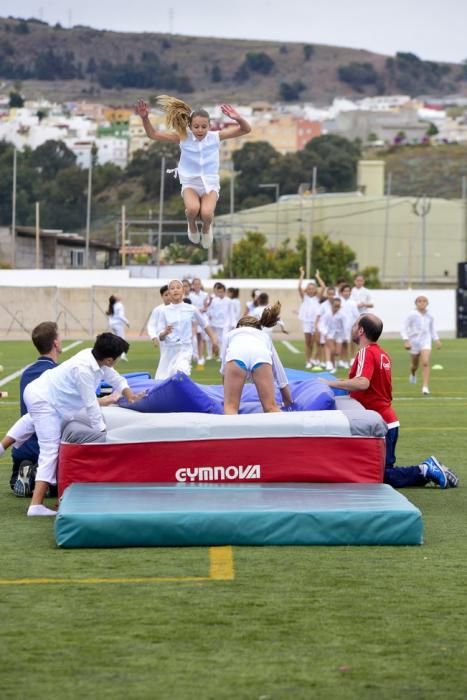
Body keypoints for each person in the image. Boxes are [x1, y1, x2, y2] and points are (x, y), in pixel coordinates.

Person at [0, 333, 145, 516]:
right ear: (109, 359)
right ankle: (36, 505)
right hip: (44, 400)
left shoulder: (92, 356)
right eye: (117, 358)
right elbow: (91, 404)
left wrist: (129, 393)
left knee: (30, 420)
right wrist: (103, 432)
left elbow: (113, 376)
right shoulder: (83, 370)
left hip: (41, 394)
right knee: (50, 449)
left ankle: (1, 447)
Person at [323, 314, 459, 489]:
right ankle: (426, 470)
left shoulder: (366, 352)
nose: (352, 327)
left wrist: (329, 383)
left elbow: (362, 383)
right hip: (387, 422)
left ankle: (425, 470)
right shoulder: (382, 354)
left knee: (379, 476)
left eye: (355, 323)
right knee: (379, 472)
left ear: (361, 330)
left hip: (379, 425)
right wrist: (340, 385)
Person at [134, 95, 251, 249]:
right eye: (196, 126)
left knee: (207, 214)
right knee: (194, 209)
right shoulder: (183, 138)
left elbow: (245, 129)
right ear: (189, 125)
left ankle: (207, 229)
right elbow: (153, 135)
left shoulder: (215, 137)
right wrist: (145, 118)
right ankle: (192, 225)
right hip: (190, 183)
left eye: (204, 126)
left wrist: (238, 118)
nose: (200, 130)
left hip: (210, 183)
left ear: (209, 126)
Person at [10, 322, 62, 498]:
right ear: (55, 343)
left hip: (22, 447)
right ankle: (38, 477)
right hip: (45, 448)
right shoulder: (57, 374)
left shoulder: (27, 373)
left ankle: (25, 471)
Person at [221, 302, 293, 415]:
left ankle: (231, 430)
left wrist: (226, 399)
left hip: (236, 356)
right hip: (261, 356)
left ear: (239, 326)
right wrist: (288, 400)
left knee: (231, 407)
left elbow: (224, 369)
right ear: (259, 328)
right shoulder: (264, 336)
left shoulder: (231, 334)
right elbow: (279, 372)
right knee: (270, 407)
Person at [154, 279, 218, 380]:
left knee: (180, 372)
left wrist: (214, 341)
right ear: (169, 292)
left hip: (185, 349)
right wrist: (165, 333)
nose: (175, 290)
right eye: (172, 288)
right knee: (162, 380)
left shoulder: (191, 309)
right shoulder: (164, 311)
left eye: (178, 288)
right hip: (169, 350)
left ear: (183, 291)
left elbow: (205, 325)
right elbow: (159, 335)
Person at [401, 295, 441, 395]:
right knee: (414, 365)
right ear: (416, 303)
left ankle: (425, 387)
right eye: (419, 301)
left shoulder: (430, 316)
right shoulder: (411, 314)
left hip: (425, 341)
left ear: (427, 303)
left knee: (425, 362)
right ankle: (413, 374)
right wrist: (406, 340)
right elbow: (404, 328)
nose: (422, 303)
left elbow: (432, 329)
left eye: (424, 301)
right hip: (413, 342)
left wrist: (436, 340)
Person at [298, 267, 326, 368]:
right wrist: (302, 274)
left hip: (316, 322)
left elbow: (323, 286)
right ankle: (308, 361)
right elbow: (299, 287)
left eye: (312, 288)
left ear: (315, 290)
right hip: (306, 322)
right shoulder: (304, 297)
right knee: (308, 343)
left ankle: (316, 359)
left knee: (317, 342)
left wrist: (318, 277)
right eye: (309, 288)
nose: (310, 290)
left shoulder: (317, 298)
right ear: (306, 290)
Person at [106, 295, 129, 360]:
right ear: (116, 299)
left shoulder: (112, 305)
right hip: (118, 325)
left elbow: (109, 316)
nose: (119, 296)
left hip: (113, 324)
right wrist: (127, 322)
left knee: (115, 339)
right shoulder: (119, 305)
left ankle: (113, 353)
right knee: (121, 339)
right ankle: (122, 355)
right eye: (116, 296)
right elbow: (120, 316)